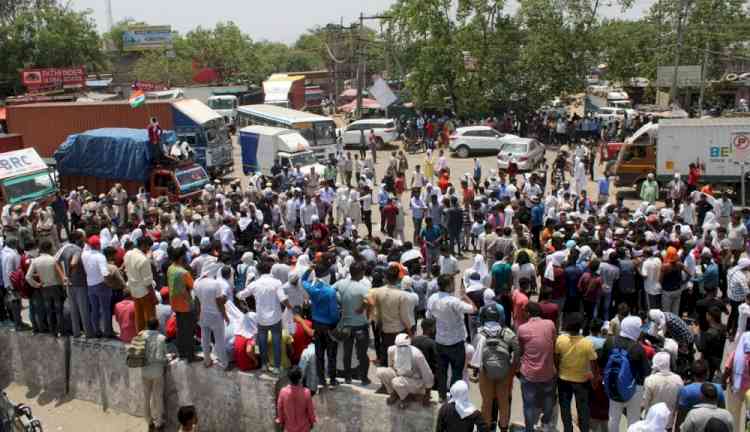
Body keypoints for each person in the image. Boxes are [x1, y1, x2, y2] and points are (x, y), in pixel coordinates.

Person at [427, 274, 477, 401]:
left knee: (442, 371)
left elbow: (429, 315)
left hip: (440, 341)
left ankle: (442, 396)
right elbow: (473, 309)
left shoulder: (433, 298)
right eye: (452, 283)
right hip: (456, 342)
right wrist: (465, 296)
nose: (454, 285)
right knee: (456, 371)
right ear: (448, 285)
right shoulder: (453, 301)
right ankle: (455, 397)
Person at [237, 259, 292, 374]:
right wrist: (290, 308)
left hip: (261, 319)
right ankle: (277, 367)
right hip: (276, 318)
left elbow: (241, 295)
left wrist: (242, 300)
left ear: (258, 271)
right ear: (270, 270)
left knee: (262, 342)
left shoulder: (255, 284)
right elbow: (283, 299)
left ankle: (264, 365)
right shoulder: (277, 282)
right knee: (277, 342)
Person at [469, 305, 518, 432]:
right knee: (504, 404)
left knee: (486, 403)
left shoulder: (480, 334)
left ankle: (486, 429)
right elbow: (518, 350)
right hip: (504, 373)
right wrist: (512, 369)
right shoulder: (507, 333)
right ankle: (503, 429)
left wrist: (475, 373)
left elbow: (476, 358)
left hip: (486, 373)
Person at [601, 315, 651, 431]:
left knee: (613, 418)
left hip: (613, 384)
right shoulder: (638, 348)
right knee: (633, 421)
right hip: (634, 389)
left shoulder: (610, 341)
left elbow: (602, 362)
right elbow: (646, 372)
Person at [555, 312, 598, 432]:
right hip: (582, 382)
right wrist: (594, 380)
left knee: (565, 408)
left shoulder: (560, 340)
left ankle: (568, 429)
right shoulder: (587, 343)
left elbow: (556, 360)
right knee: (583, 409)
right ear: (581, 327)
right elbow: (594, 364)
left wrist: (557, 374)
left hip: (563, 380)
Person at [517, 302, 557, 432]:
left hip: (529, 374)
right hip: (547, 372)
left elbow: (521, 351)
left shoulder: (522, 328)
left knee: (529, 405)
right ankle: (545, 423)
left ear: (528, 313)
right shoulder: (550, 324)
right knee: (548, 399)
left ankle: (529, 429)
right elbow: (553, 344)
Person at [301, 262, 340, 388]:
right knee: (332, 354)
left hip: (317, 325)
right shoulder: (330, 291)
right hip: (329, 325)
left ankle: (321, 380)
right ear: (326, 276)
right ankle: (333, 380)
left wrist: (309, 269)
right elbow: (334, 313)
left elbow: (303, 280)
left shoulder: (312, 288)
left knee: (319, 354)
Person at [334, 261, 371, 385]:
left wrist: (340, 302)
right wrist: (362, 308)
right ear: (360, 273)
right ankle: (364, 378)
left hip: (345, 326)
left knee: (347, 352)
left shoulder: (341, 283)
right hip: (360, 325)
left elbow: (330, 291)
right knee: (362, 354)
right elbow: (370, 300)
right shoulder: (362, 287)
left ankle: (348, 378)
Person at [375, 333, 434, 409]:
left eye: (404, 346)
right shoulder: (391, 350)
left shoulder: (417, 355)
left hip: (415, 381)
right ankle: (393, 393)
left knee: (396, 382)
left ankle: (405, 398)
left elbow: (427, 374)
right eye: (400, 346)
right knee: (381, 372)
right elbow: (390, 367)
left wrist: (427, 394)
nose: (402, 348)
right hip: (399, 377)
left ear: (409, 344)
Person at [370, 264, 413, 366]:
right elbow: (405, 316)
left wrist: (379, 325)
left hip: (385, 330)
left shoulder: (378, 292)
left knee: (386, 356)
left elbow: (375, 313)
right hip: (399, 331)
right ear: (398, 278)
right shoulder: (402, 295)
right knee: (398, 359)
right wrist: (410, 330)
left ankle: (385, 379)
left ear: (385, 278)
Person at [25, 239, 66, 337]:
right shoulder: (54, 260)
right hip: (56, 287)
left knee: (49, 310)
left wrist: (36, 284)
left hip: (44, 288)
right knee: (58, 310)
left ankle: (52, 331)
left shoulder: (35, 261)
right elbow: (62, 276)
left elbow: (27, 277)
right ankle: (61, 330)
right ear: (50, 248)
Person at [57, 231, 93, 338]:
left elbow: (55, 261)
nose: (84, 241)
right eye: (83, 239)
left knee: (73, 310)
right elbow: (74, 262)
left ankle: (76, 332)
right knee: (83, 309)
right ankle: (88, 333)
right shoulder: (78, 250)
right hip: (80, 284)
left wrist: (63, 276)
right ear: (78, 240)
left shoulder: (64, 248)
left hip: (69, 285)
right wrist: (68, 274)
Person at [194, 262, 230, 369]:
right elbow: (219, 303)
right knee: (219, 340)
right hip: (215, 316)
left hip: (203, 315)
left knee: (205, 339)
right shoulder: (215, 284)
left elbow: (197, 302)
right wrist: (225, 316)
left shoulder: (197, 283)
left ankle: (207, 360)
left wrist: (197, 316)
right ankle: (224, 363)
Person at [166, 245, 196, 362]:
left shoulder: (170, 269)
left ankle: (182, 353)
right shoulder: (184, 273)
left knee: (180, 330)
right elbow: (193, 286)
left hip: (175, 304)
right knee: (189, 331)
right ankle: (190, 356)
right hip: (186, 305)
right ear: (181, 258)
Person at [81, 235, 114, 338]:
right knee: (106, 310)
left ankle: (97, 331)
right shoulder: (100, 256)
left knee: (94, 310)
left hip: (90, 285)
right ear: (98, 245)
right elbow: (105, 273)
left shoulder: (84, 255)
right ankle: (107, 332)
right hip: (101, 285)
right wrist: (110, 284)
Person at [124, 236, 157, 333]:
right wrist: (154, 296)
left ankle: (140, 336)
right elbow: (148, 282)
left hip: (134, 291)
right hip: (144, 292)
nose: (148, 249)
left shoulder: (128, 254)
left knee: (139, 316)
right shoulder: (143, 260)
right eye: (148, 247)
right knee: (150, 317)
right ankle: (150, 338)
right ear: (143, 245)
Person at [643, 351, 683, 429]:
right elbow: (678, 403)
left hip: (652, 421)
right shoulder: (678, 380)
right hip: (668, 421)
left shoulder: (650, 380)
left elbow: (646, 403)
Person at [141, 318, 167, 432]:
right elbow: (162, 357)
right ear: (157, 326)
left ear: (147, 326)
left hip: (145, 371)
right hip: (157, 372)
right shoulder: (161, 338)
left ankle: (149, 421)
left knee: (146, 397)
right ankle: (159, 423)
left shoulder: (141, 336)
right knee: (158, 397)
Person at [722, 331, 750, 431]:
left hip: (735, 388)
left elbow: (727, 368)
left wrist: (723, 381)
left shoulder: (738, 353)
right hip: (748, 391)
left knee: (733, 414)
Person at [276, 366, 316, 432]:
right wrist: (312, 422)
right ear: (300, 378)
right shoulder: (306, 392)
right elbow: (310, 410)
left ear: (289, 378)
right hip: (304, 428)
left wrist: (281, 421)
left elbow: (280, 408)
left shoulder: (283, 392)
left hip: (289, 428)